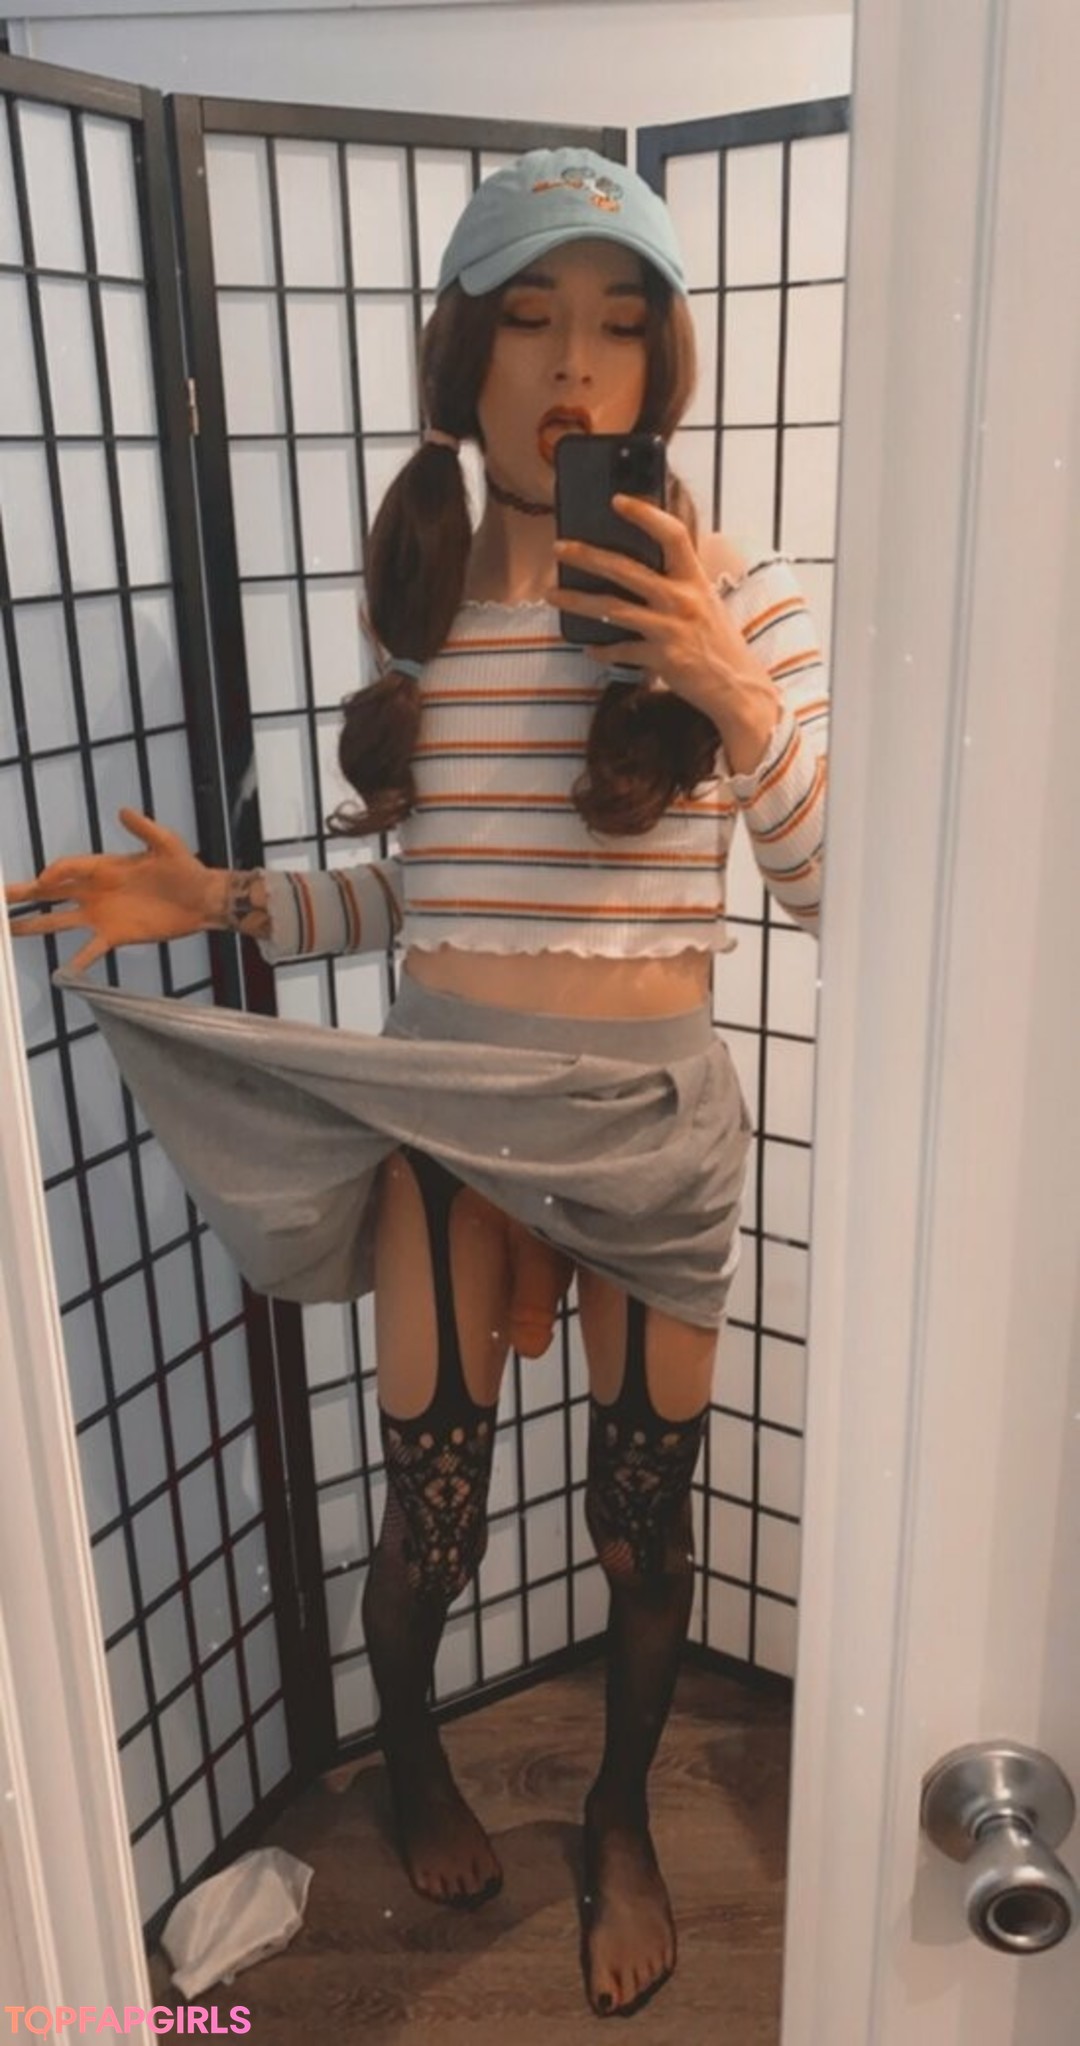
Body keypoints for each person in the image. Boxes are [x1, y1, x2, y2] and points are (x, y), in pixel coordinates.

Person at [4, 148, 827, 2019]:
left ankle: (617, 1812)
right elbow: (419, 892)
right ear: (465, 359)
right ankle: (416, 1752)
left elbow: (833, 875)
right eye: (531, 318)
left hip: (650, 1134)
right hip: (444, 1118)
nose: (575, 364)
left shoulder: (738, 600)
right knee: (433, 1516)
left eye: (619, 325)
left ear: (664, 367)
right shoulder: (429, 609)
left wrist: (730, 684)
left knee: (641, 1521)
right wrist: (223, 898)